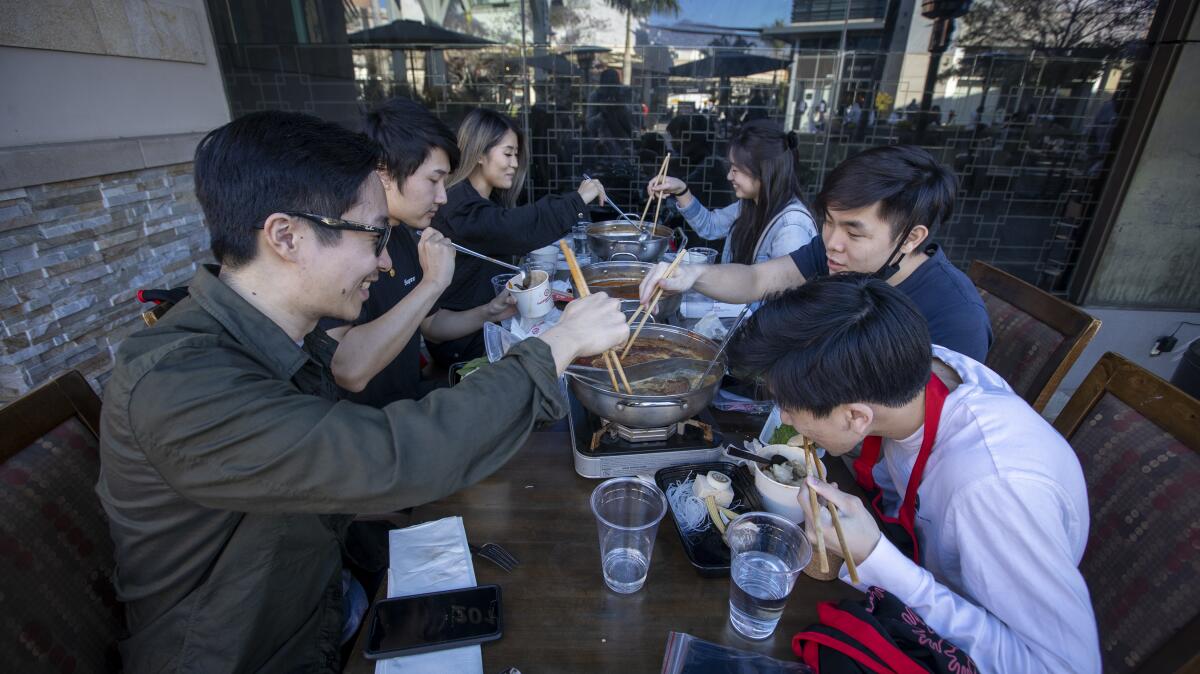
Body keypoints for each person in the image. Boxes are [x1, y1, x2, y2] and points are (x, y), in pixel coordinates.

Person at [96, 110, 628, 673]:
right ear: (286, 236)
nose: (382, 259)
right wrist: (557, 346)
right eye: (373, 236)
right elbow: (391, 454)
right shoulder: (178, 384)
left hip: (326, 603)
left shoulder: (283, 338)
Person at [730, 273, 1100, 673]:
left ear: (857, 416)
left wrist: (874, 556)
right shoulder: (919, 370)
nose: (784, 418)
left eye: (788, 407)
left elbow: (1065, 667)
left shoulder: (992, 487)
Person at [639, 145, 992, 361]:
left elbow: (930, 425)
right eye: (828, 222)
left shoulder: (956, 316)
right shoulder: (835, 253)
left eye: (854, 231)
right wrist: (692, 275)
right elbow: (758, 278)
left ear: (911, 238)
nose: (832, 242)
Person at [324, 97, 516, 406]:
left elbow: (432, 326)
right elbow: (348, 369)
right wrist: (433, 283)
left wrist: (490, 312)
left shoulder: (403, 235)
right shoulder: (338, 246)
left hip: (409, 405)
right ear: (384, 174)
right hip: (365, 427)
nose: (442, 197)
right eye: (433, 180)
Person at [429, 108, 609, 366]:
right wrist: (575, 202)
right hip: (463, 345)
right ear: (480, 153)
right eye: (508, 154)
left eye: (516, 155)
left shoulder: (479, 200)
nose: (514, 163)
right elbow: (514, 229)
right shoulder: (459, 204)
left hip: (488, 324)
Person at [646, 119, 817, 265]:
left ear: (764, 172)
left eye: (736, 170)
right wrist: (680, 189)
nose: (729, 176)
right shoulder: (750, 205)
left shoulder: (792, 227)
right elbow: (710, 226)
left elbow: (785, 297)